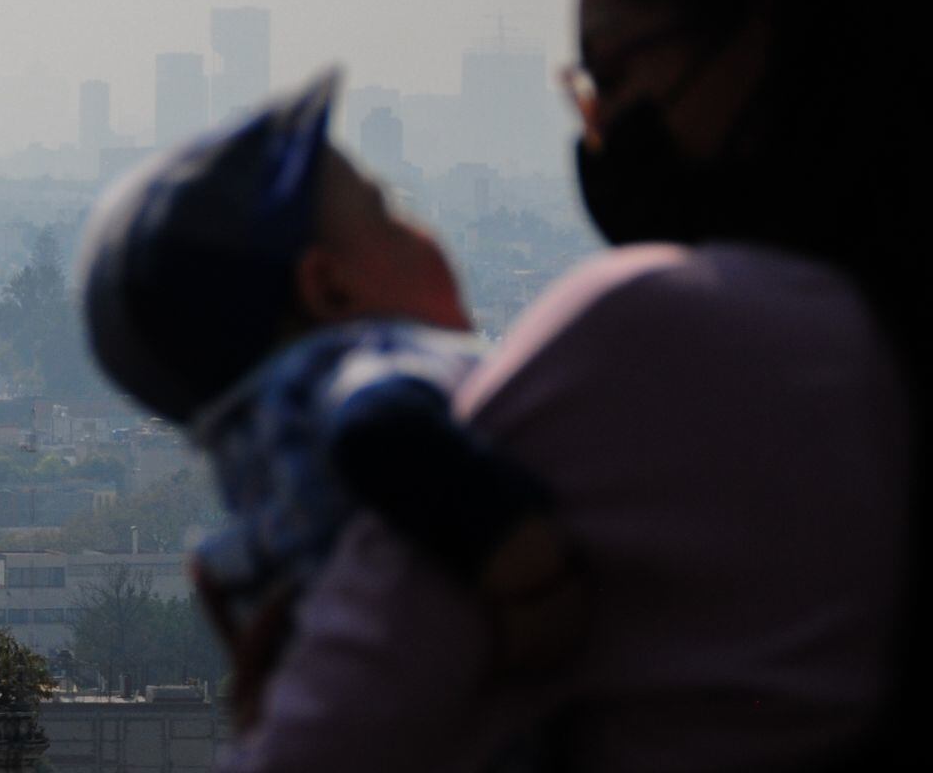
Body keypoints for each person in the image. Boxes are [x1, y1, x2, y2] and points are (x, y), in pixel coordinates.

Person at [223, 0, 933, 771]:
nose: (600, 129)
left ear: (761, 39)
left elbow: (332, 740)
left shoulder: (661, 333)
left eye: (616, 72)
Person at [79, 71, 585, 722]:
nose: (420, 228)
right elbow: (379, 428)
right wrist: (529, 575)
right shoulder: (355, 365)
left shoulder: (258, 452)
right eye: (389, 212)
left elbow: (215, 572)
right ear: (329, 288)